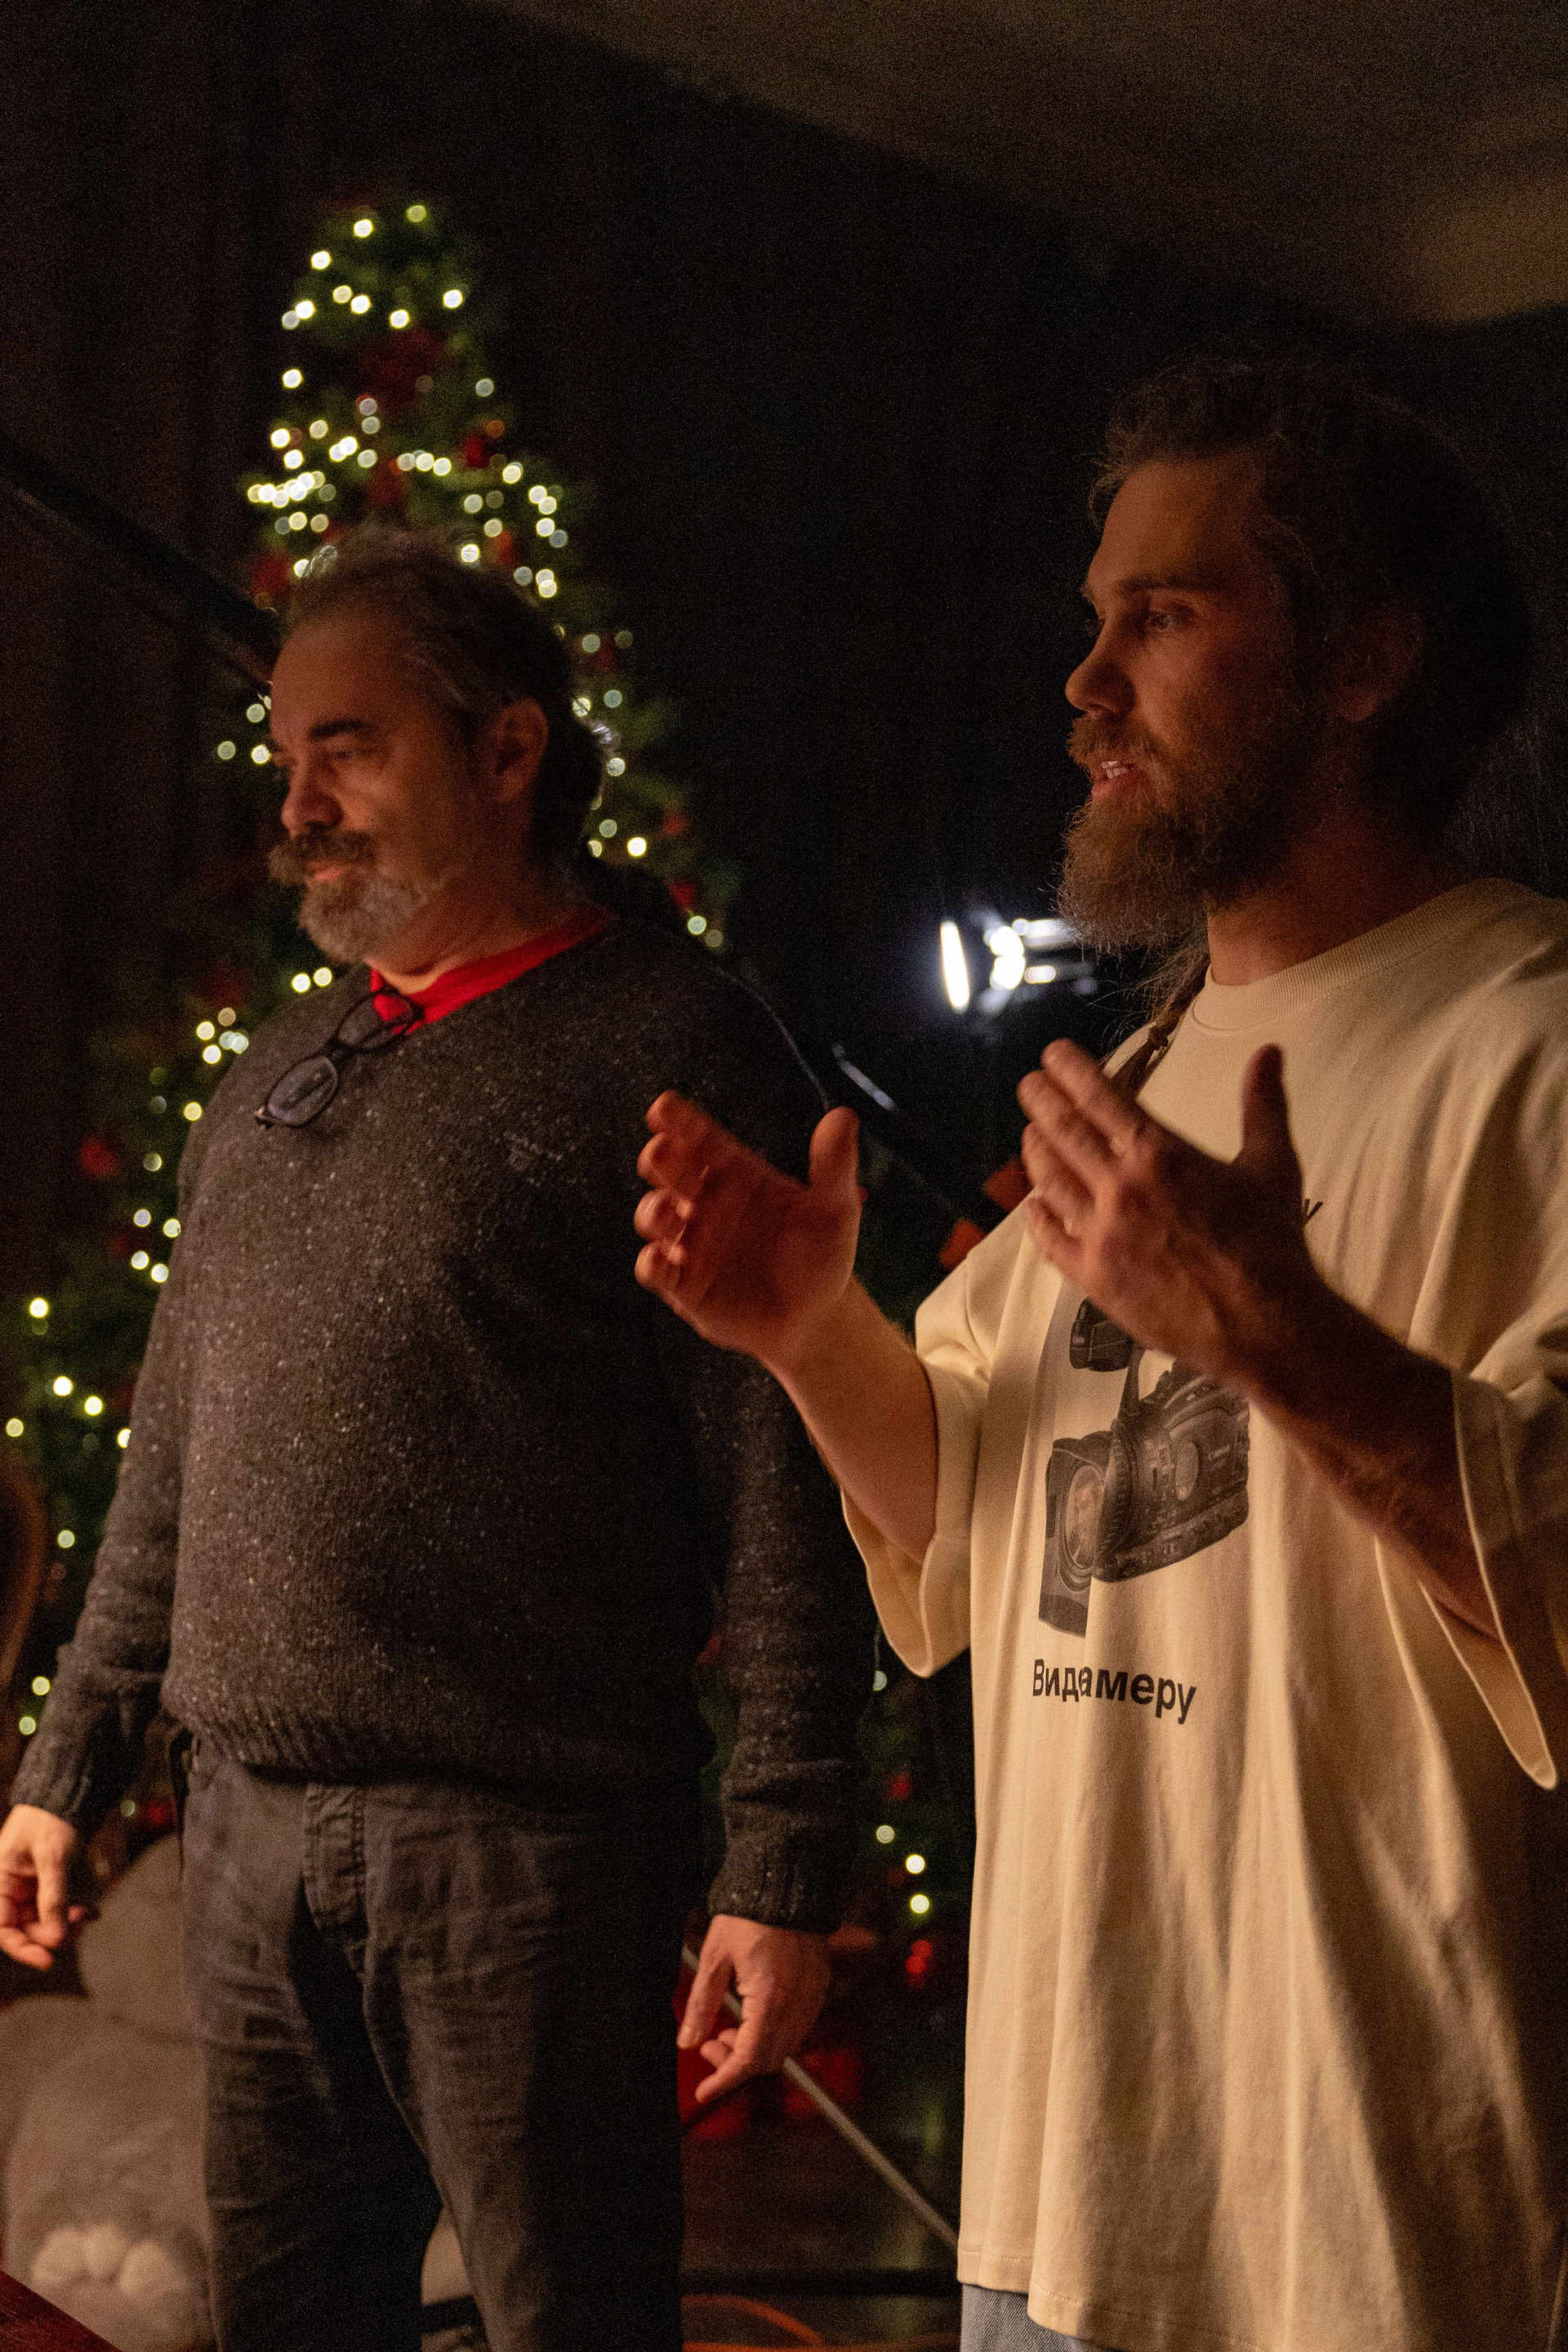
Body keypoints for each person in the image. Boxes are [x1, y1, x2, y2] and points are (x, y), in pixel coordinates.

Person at [633, 357, 1568, 2352]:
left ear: (1364, 661)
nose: (1086, 684)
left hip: (1365, 2243)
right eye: (1093, 620)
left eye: (1163, 616)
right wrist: (811, 1335)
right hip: (1063, 2216)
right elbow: (983, 1513)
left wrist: (1283, 1339)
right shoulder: (1142, 1072)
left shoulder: (1536, 1044)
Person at [0, 530, 874, 2352]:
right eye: (287, 755)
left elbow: (789, 1488)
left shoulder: (674, 1044)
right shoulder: (270, 1081)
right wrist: (67, 1762)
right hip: (246, 1840)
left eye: (351, 748)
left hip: (530, 1861)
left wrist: (782, 1865)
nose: (298, 805)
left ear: (508, 749)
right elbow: (174, 1462)